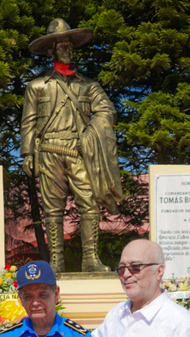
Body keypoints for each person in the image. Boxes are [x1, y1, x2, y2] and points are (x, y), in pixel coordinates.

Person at [22, 18, 123, 273]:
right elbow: (29, 123)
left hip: (79, 152)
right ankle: (56, 262)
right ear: (51, 51)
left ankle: (90, 259)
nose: (67, 50)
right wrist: (27, 153)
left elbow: (107, 111)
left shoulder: (88, 85)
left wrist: (92, 132)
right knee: (52, 208)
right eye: (61, 46)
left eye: (69, 45)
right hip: (48, 152)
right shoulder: (37, 86)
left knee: (89, 203)